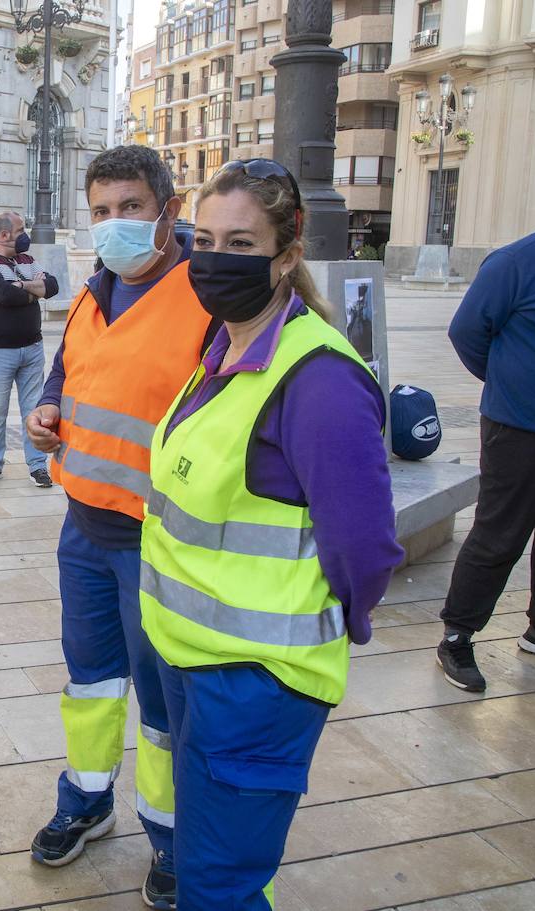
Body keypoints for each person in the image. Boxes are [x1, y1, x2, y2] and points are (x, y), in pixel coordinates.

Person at [139, 160, 403, 909]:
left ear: (286, 255)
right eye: (203, 238)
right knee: (205, 865)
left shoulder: (318, 379)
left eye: (241, 243)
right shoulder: (223, 347)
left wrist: (332, 623)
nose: (214, 258)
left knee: (220, 886)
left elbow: (366, 545)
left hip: (256, 680)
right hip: (189, 658)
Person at [23, 145, 216, 907]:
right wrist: (46, 406)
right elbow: (69, 373)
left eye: (130, 208)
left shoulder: (206, 295)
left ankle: (171, 834)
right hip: (83, 529)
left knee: (165, 702)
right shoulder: (90, 292)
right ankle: (88, 798)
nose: (113, 224)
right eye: (101, 210)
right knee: (91, 679)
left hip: (157, 538)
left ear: (167, 211)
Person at [437, 224, 535, 692]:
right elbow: (466, 332)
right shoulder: (515, 262)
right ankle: (457, 636)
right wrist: (508, 382)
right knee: (499, 535)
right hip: (521, 426)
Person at [0, 212, 58, 488]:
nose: (25, 234)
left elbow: (53, 286)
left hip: (32, 348)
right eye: (21, 230)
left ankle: (38, 467)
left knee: (34, 411)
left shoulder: (27, 261)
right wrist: (34, 291)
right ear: (4, 235)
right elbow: (4, 295)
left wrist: (20, 285)